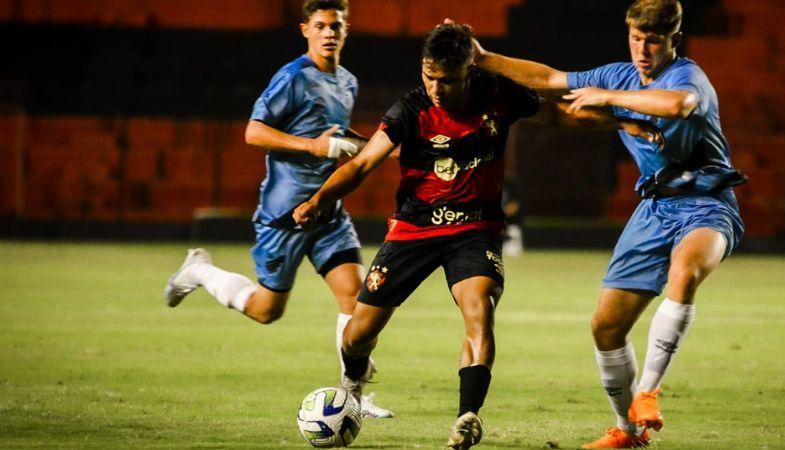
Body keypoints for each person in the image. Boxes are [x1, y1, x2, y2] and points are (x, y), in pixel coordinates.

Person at [467, 0, 746, 447]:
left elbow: (680, 104)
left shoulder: (686, 76)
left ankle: (649, 393)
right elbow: (551, 79)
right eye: (636, 38)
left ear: (674, 40)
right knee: (606, 328)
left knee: (684, 272)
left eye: (653, 40)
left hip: (707, 203)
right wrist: (484, 59)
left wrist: (610, 100)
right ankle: (629, 430)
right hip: (654, 210)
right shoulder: (619, 73)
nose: (643, 48)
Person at [292, 23, 539, 449]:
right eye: (428, 77)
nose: (435, 88)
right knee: (357, 335)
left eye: (445, 79)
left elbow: (552, 98)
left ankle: (468, 415)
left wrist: (620, 120)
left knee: (479, 309)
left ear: (468, 69)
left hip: (475, 229)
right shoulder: (410, 109)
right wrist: (319, 200)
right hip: (414, 228)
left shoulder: (499, 94)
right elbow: (363, 164)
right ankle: (353, 379)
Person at [162, 0, 393, 419]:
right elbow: (254, 132)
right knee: (267, 310)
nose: (328, 33)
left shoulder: (347, 82)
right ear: (304, 29)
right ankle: (200, 271)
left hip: (326, 211)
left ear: (346, 30)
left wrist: (382, 147)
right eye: (320, 25)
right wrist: (312, 146)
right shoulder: (291, 78)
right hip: (283, 215)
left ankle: (352, 398)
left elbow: (337, 134)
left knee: (355, 298)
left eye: (335, 26)